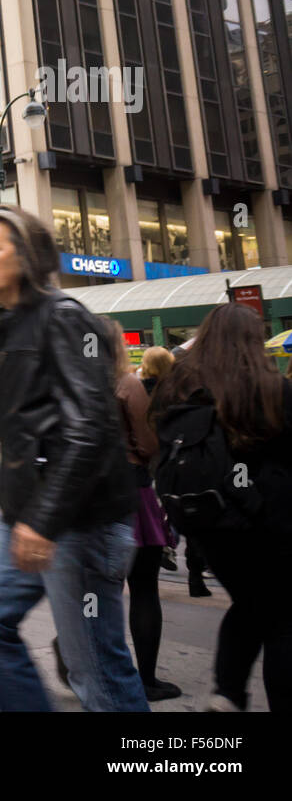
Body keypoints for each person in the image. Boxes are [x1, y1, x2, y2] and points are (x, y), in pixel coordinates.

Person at [0, 204, 148, 712]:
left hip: (77, 521)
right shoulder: (7, 321)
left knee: (98, 672)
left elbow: (89, 428)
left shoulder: (65, 319)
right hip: (27, 515)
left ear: (25, 256)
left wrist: (43, 523)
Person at [147, 302, 292, 712]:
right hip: (269, 521)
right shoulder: (271, 388)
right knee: (282, 618)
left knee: (249, 604)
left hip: (208, 523)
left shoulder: (178, 390)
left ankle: (227, 692)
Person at [105, 323, 181, 701]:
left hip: (92, 499)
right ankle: (146, 680)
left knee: (102, 591)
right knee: (144, 587)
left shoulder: (76, 385)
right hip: (133, 492)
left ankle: (79, 658)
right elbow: (149, 441)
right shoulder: (126, 383)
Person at [142, 346, 210, 597]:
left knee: (166, 506)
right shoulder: (179, 391)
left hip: (154, 463)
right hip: (184, 459)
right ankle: (194, 572)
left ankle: (166, 545)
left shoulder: (142, 390)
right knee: (189, 509)